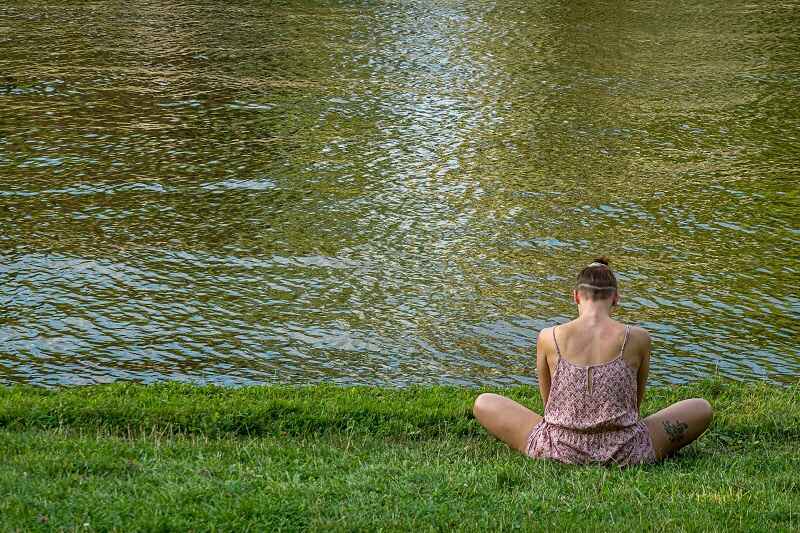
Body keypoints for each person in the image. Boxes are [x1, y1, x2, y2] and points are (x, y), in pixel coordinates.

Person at [472, 257, 713, 466]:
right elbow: (635, 405)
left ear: (575, 296)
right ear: (616, 298)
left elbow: (549, 406)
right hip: (627, 450)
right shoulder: (639, 338)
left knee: (484, 402)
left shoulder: (548, 336)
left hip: (557, 447)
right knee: (701, 408)